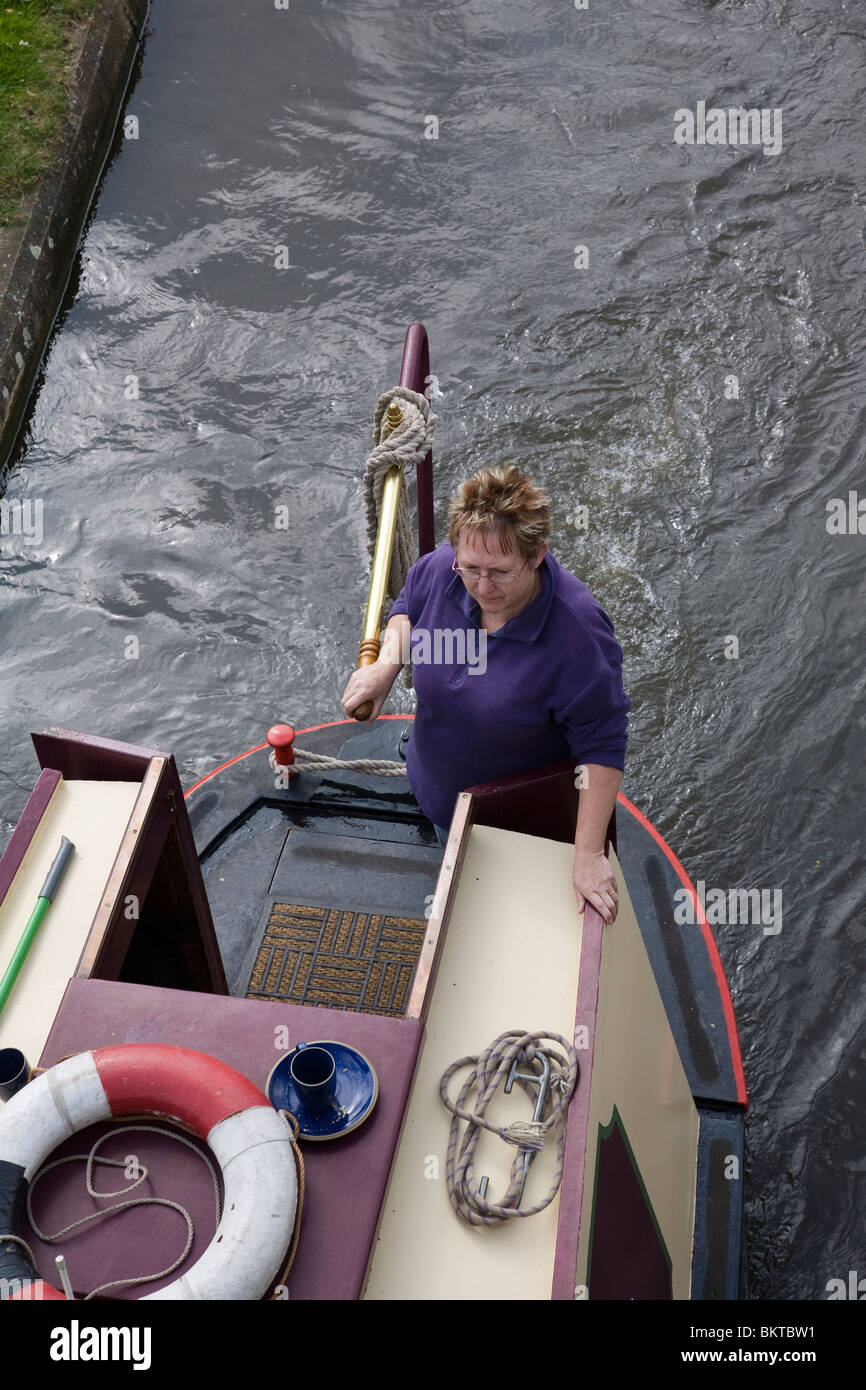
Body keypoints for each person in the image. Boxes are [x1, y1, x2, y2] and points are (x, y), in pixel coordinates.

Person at [340, 465, 629, 924]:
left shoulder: (579, 633)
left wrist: (588, 853)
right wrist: (386, 667)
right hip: (435, 787)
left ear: (537, 556)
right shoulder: (442, 570)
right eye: (470, 568)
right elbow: (406, 609)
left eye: (500, 572)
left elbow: (604, 745)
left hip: (512, 820)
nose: (482, 586)